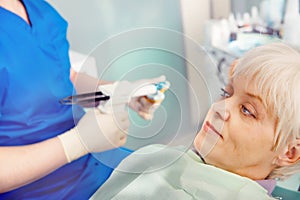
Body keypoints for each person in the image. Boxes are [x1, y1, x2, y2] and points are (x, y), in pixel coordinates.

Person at [0, 0, 166, 199]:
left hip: (95, 161)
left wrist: (120, 91)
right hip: (41, 189)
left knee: (176, 176)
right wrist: (78, 142)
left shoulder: (38, 8)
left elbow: (64, 76)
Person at [91, 42, 300, 200]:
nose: (219, 108)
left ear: (289, 152)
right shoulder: (161, 157)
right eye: (226, 93)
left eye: (247, 110)